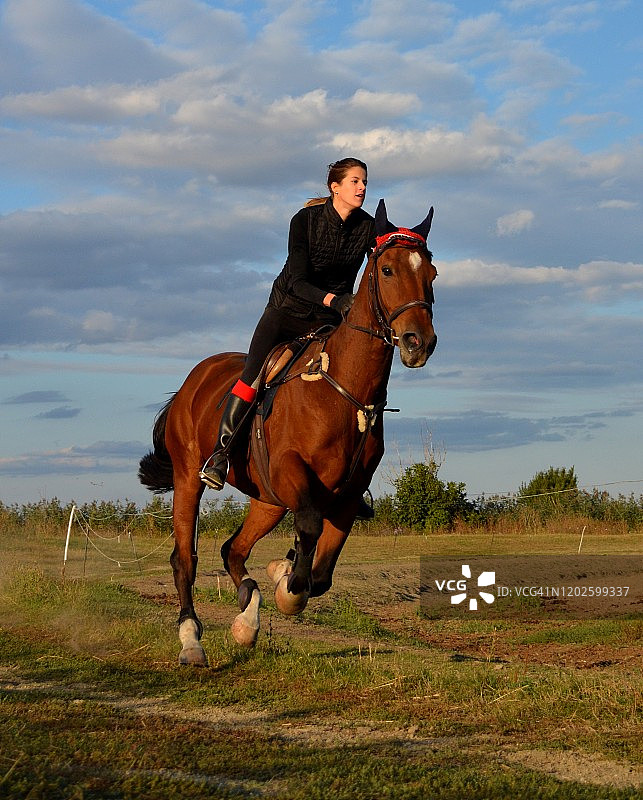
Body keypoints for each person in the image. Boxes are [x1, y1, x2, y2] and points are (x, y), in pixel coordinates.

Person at [199, 158, 376, 517]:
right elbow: (297, 280)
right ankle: (220, 454)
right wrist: (336, 300)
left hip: (330, 319)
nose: (361, 188)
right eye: (355, 181)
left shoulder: (367, 226)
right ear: (335, 187)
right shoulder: (304, 221)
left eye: (365, 183)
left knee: (352, 381)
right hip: (287, 312)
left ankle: (351, 482)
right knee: (253, 375)